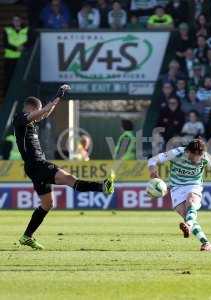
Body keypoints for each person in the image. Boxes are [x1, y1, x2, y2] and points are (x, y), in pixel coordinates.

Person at [14, 85, 115, 250]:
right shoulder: (20, 118)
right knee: (70, 180)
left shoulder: (30, 122)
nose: (40, 116)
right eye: (37, 111)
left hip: (34, 167)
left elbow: (45, 112)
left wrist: (56, 100)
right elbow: (42, 112)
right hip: (38, 165)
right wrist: (56, 96)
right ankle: (103, 186)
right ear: (31, 108)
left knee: (47, 204)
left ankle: (27, 236)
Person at [148, 139, 211, 251]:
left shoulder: (204, 156)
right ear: (188, 152)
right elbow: (153, 160)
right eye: (194, 156)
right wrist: (153, 172)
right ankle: (206, 243)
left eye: (200, 156)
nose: (197, 159)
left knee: (191, 201)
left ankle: (188, 225)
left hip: (194, 185)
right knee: (186, 215)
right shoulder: (177, 152)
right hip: (176, 188)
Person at [3, 16, 29, 92]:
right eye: (14, 20)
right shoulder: (7, 30)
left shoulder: (26, 29)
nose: (16, 22)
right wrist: (16, 48)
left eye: (18, 20)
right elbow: (5, 43)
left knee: (21, 77)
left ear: (21, 21)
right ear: (12, 21)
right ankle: (7, 95)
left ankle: (20, 93)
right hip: (10, 58)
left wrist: (24, 46)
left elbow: (31, 40)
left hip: (22, 58)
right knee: (9, 77)